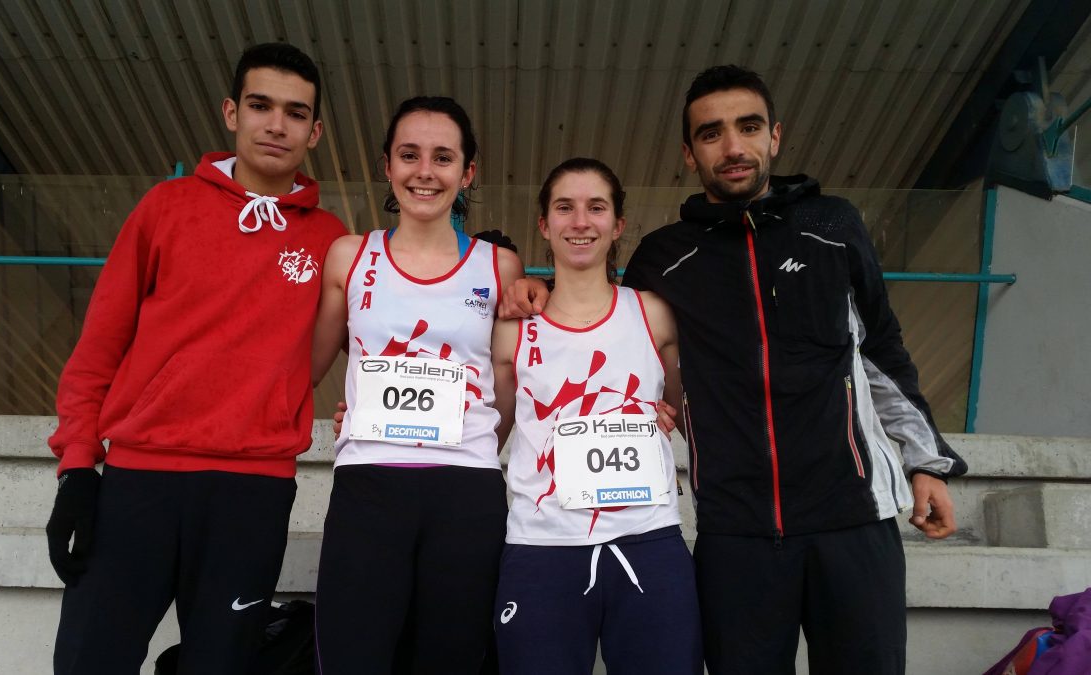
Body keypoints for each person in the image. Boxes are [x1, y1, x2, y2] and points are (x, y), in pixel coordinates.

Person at [502, 65, 967, 674]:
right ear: (690, 155)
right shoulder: (665, 257)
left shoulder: (834, 226)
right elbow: (602, 312)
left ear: (774, 136)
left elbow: (881, 346)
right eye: (711, 133)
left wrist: (924, 461)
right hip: (736, 532)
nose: (732, 146)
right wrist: (530, 289)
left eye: (747, 127)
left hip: (852, 517)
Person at [44, 42, 347, 673]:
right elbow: (100, 346)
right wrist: (77, 467)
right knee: (88, 661)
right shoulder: (166, 207)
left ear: (314, 131)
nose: (276, 124)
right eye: (261, 105)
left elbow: (403, 320)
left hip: (252, 491)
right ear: (231, 113)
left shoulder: (330, 241)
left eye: (295, 113)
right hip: (139, 481)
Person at [310, 95, 524, 674]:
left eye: (443, 157)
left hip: (467, 491)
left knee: (452, 659)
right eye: (409, 155)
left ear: (467, 172)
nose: (424, 171)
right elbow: (304, 367)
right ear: (387, 165)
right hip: (368, 488)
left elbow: (507, 385)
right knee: (354, 655)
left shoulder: (500, 266)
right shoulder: (348, 256)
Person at [491, 158, 702, 674]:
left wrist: (662, 414)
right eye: (564, 207)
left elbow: (684, 406)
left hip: (648, 541)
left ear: (618, 224)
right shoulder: (512, 330)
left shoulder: (653, 312)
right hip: (543, 549)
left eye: (596, 208)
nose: (580, 221)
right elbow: (483, 434)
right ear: (544, 224)